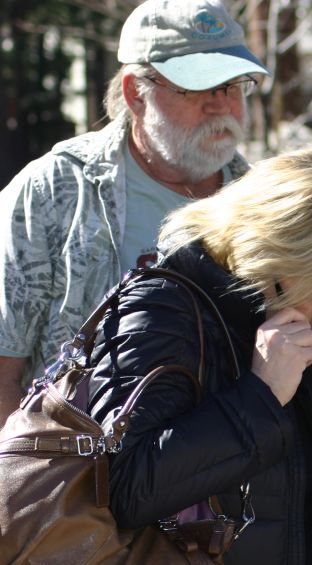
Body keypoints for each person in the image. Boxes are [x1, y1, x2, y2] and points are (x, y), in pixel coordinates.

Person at [23, 148, 312, 565]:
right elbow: (125, 490)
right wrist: (259, 394)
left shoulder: (278, 323)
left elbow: (288, 499)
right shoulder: (165, 309)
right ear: (273, 249)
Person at [0, 0, 268, 422]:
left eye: (233, 86)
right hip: (85, 476)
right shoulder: (54, 192)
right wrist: (28, 483)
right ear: (135, 93)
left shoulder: (263, 202)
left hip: (229, 473)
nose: (221, 105)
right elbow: (3, 369)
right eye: (199, 86)